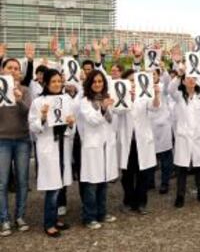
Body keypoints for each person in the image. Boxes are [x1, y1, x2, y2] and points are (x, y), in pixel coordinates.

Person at [28, 69, 75, 237]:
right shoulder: (39, 102)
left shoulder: (66, 99)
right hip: (49, 146)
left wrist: (70, 123)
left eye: (58, 81)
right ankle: (49, 223)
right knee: (52, 187)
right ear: (46, 83)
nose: (56, 84)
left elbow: (72, 123)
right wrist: (42, 117)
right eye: (53, 81)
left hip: (63, 145)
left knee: (60, 184)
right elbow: (33, 127)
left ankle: (55, 218)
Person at [168, 63, 200, 208]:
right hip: (184, 137)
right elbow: (169, 89)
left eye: (193, 78)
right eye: (188, 78)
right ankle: (180, 196)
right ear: (183, 81)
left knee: (199, 166)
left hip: (198, 137)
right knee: (182, 168)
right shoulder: (178, 96)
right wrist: (179, 74)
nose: (191, 80)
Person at [78, 70, 118, 229]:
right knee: (91, 184)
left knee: (103, 182)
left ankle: (102, 213)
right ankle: (89, 217)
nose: (97, 84)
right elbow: (93, 120)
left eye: (100, 81)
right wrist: (102, 108)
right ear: (89, 83)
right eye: (94, 81)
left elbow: (111, 121)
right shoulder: (85, 101)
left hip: (105, 145)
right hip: (92, 146)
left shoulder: (107, 99)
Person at [117, 69, 160, 213]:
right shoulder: (120, 98)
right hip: (128, 142)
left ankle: (142, 202)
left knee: (144, 174)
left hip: (142, 141)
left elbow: (154, 107)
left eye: (135, 81)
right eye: (130, 81)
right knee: (127, 175)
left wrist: (157, 95)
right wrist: (128, 98)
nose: (133, 84)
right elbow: (118, 111)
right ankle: (128, 201)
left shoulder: (145, 97)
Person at [0, 58, 32, 237]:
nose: (13, 71)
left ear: (20, 72)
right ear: (2, 71)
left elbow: (30, 114)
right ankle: (4, 219)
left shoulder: (25, 90)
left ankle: (20, 216)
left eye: (16, 68)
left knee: (22, 181)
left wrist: (19, 99)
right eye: (9, 68)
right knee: (2, 183)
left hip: (22, 139)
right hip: (2, 140)